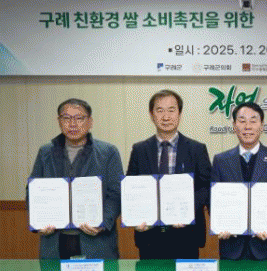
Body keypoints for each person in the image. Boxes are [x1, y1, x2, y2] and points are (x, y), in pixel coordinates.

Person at [28, 98, 123, 259]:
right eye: (66, 118)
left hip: (96, 241)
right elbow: (33, 190)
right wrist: (38, 222)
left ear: (90, 121)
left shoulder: (108, 152)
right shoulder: (45, 152)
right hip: (55, 240)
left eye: (79, 118)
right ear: (59, 121)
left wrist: (102, 223)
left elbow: (116, 193)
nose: (73, 124)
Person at [126, 89, 212, 259]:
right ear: (151, 115)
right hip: (149, 235)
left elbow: (206, 187)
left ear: (180, 114)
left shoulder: (197, 149)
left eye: (171, 110)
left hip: (186, 235)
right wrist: (136, 215)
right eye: (160, 110)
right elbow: (130, 187)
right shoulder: (139, 150)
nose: (166, 117)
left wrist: (186, 210)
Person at [211, 102, 267, 260]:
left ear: (262, 126)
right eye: (242, 121)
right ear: (234, 126)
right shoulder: (220, 160)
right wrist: (221, 223)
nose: (247, 126)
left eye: (253, 121)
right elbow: (213, 202)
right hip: (231, 247)